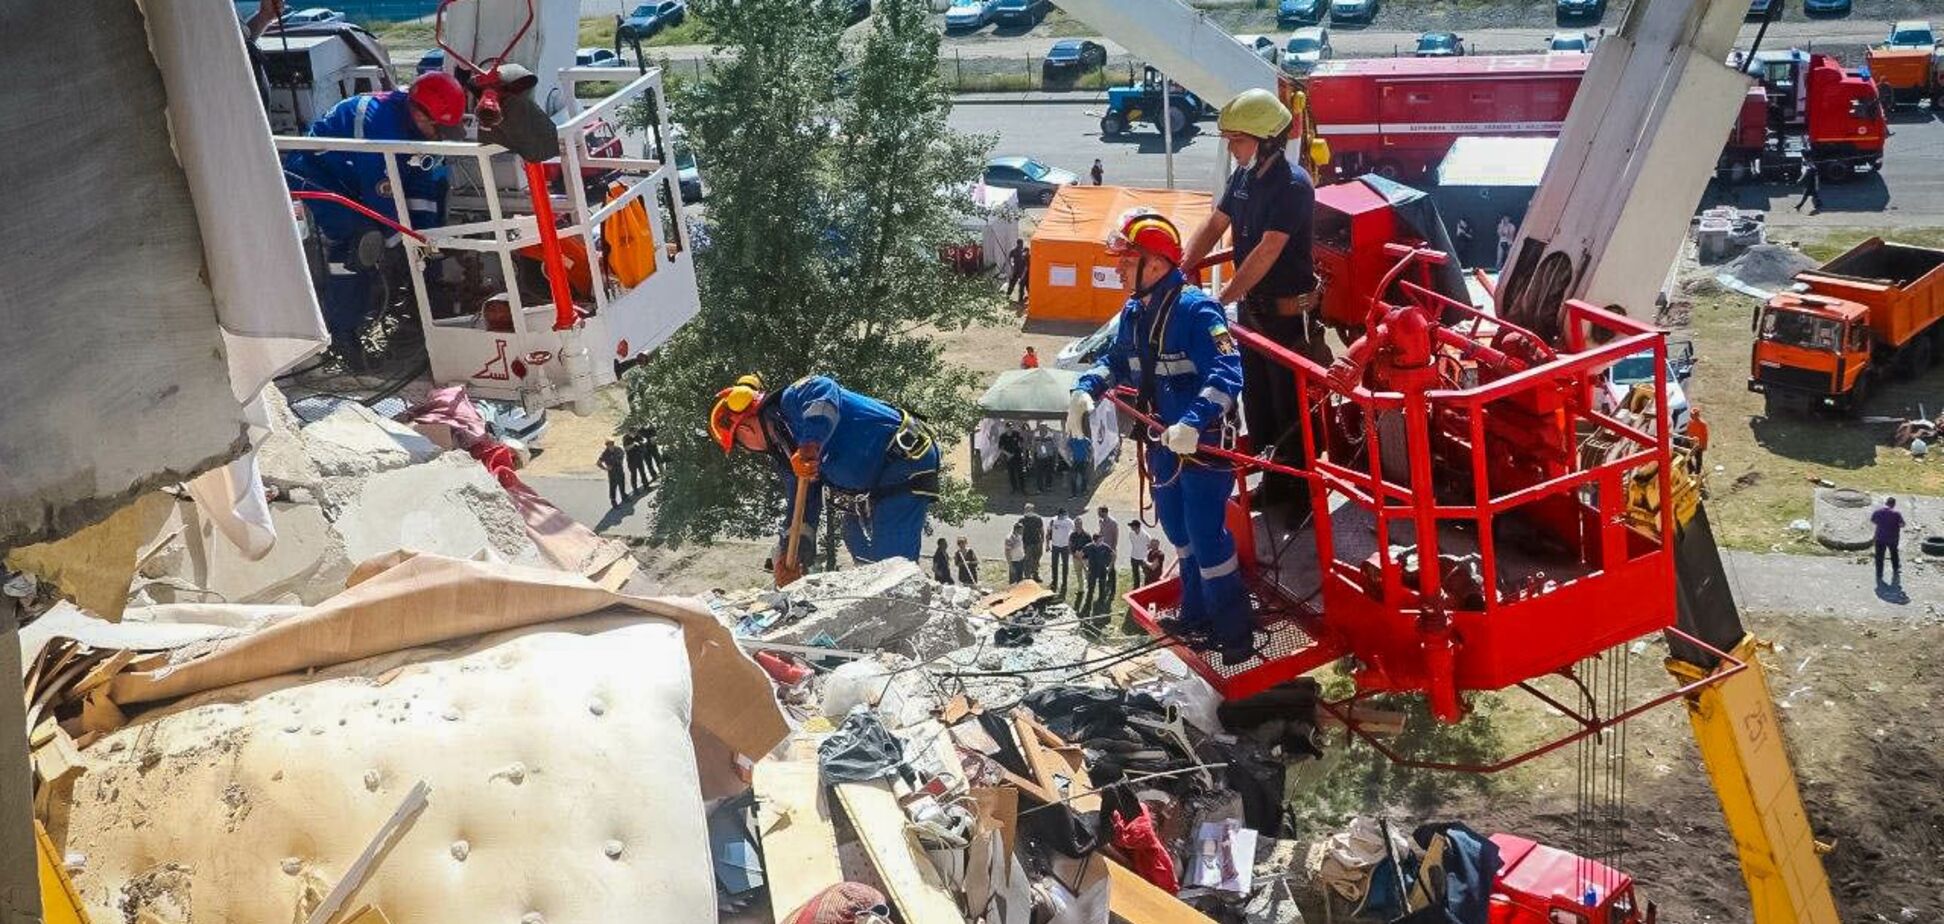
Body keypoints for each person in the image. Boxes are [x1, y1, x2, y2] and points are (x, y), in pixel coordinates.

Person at [1070, 209, 1250, 662]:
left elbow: (1228, 371)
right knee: (1177, 531)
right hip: (1163, 442)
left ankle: (1233, 633)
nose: (1117, 269)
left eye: (1126, 262)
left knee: (1208, 537)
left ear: (1155, 264)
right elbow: (1115, 360)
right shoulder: (1136, 311)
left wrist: (1193, 420)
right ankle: (1195, 614)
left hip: (1203, 444)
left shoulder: (1198, 311)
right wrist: (1085, 387)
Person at [1180, 88, 1319, 516]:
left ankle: (1301, 501)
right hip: (1255, 314)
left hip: (1288, 319)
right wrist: (1181, 266)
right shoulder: (1243, 179)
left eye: (1237, 140)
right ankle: (1274, 488)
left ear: (1265, 141)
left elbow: (1267, 251)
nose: (1231, 147)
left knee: (1291, 411)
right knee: (1259, 405)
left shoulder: (1293, 187)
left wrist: (1218, 300)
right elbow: (1215, 223)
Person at [709, 373, 941, 585]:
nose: (748, 450)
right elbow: (801, 511)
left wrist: (810, 445)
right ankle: (880, 596)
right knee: (856, 541)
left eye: (740, 445)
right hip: (874, 484)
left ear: (746, 430)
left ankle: (899, 597)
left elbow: (823, 390)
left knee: (891, 557)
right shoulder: (790, 457)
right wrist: (792, 558)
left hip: (903, 461)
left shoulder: (796, 397)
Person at [1078, 532, 1116, 615]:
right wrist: (1085, 567)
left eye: (1102, 540)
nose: (1102, 541)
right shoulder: (1088, 547)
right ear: (1095, 541)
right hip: (1092, 571)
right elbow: (1080, 555)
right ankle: (1087, 605)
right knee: (1091, 589)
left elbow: (1113, 555)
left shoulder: (1105, 547)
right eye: (1100, 540)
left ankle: (1101, 602)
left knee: (1102, 588)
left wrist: (1109, 566)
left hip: (1102, 570)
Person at [1872, 497, 1905, 586]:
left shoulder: (1878, 511)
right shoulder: (1897, 514)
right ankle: (1895, 569)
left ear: (1886, 503)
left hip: (1880, 538)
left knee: (1879, 557)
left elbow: (1873, 520)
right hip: (1892, 538)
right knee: (1894, 553)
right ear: (1894, 504)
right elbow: (1902, 524)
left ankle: (1879, 574)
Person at [1048, 508, 1076, 596]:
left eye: (1064, 515)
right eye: (1062, 515)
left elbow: (1074, 531)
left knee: (1065, 565)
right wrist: (1047, 544)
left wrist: (1071, 544)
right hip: (1055, 546)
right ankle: (1054, 582)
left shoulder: (1069, 521)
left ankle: (1064, 583)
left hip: (1065, 546)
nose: (1063, 517)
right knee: (1054, 564)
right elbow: (1048, 532)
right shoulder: (1053, 520)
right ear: (1059, 515)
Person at [1018, 503, 1045, 581]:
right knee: (1028, 560)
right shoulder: (1022, 520)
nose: (1028, 511)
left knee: (1036, 559)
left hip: (1037, 541)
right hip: (1027, 543)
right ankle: (1027, 576)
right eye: (1026, 510)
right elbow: (1019, 532)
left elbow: (1041, 530)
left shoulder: (1037, 519)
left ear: (1032, 510)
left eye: (1029, 510)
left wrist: (1042, 539)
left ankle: (1035, 574)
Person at [597, 439, 627, 507]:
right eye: (609, 445)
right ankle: (613, 500)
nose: (611, 446)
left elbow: (623, 453)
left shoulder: (618, 449)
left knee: (622, 483)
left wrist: (621, 460)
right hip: (612, 472)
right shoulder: (605, 454)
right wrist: (605, 468)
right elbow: (598, 463)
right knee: (613, 487)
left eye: (612, 444)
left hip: (619, 469)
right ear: (607, 446)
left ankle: (623, 496)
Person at [999, 423, 1027, 494]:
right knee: (1011, 474)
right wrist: (1007, 454)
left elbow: (1022, 442)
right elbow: (1000, 448)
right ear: (1006, 428)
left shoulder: (1016, 434)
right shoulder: (1003, 436)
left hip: (1017, 456)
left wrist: (1023, 452)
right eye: (1009, 427)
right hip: (1009, 457)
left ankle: (1022, 488)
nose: (1010, 428)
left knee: (1020, 473)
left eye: (1011, 427)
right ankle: (1014, 488)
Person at [1066, 432, 1091, 497]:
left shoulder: (1086, 441)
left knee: (1084, 477)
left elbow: (1090, 450)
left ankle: (1083, 491)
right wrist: (1069, 458)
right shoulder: (1073, 440)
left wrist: (1090, 458)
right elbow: (1067, 447)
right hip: (1075, 461)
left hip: (1083, 461)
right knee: (1073, 478)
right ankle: (1074, 493)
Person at [1127, 519, 1149, 588]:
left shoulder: (1146, 536)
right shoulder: (1131, 534)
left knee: (1146, 574)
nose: (1131, 527)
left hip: (1143, 558)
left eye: (1132, 526)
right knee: (1135, 574)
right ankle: (1136, 587)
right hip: (1134, 556)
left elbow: (1149, 547)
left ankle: (1146, 587)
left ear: (1136, 527)